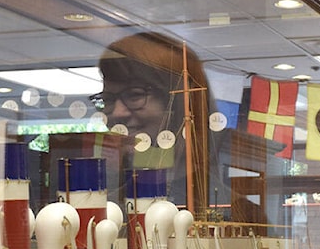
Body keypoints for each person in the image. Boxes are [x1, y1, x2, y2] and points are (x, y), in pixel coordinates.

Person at [93, 31, 230, 213]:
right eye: (108, 99)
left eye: (135, 95)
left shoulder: (226, 207)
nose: (117, 113)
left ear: (178, 104)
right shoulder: (106, 204)